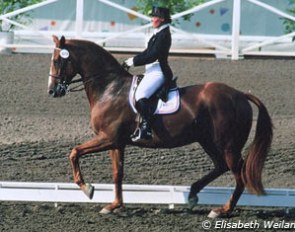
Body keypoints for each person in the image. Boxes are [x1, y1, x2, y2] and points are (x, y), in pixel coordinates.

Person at [123, 6, 173, 142]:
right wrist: (131, 59)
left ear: (162, 19)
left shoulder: (164, 35)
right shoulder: (157, 34)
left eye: (154, 17)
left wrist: (134, 61)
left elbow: (152, 56)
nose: (152, 19)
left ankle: (146, 128)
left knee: (140, 95)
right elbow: (146, 52)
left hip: (159, 71)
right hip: (151, 70)